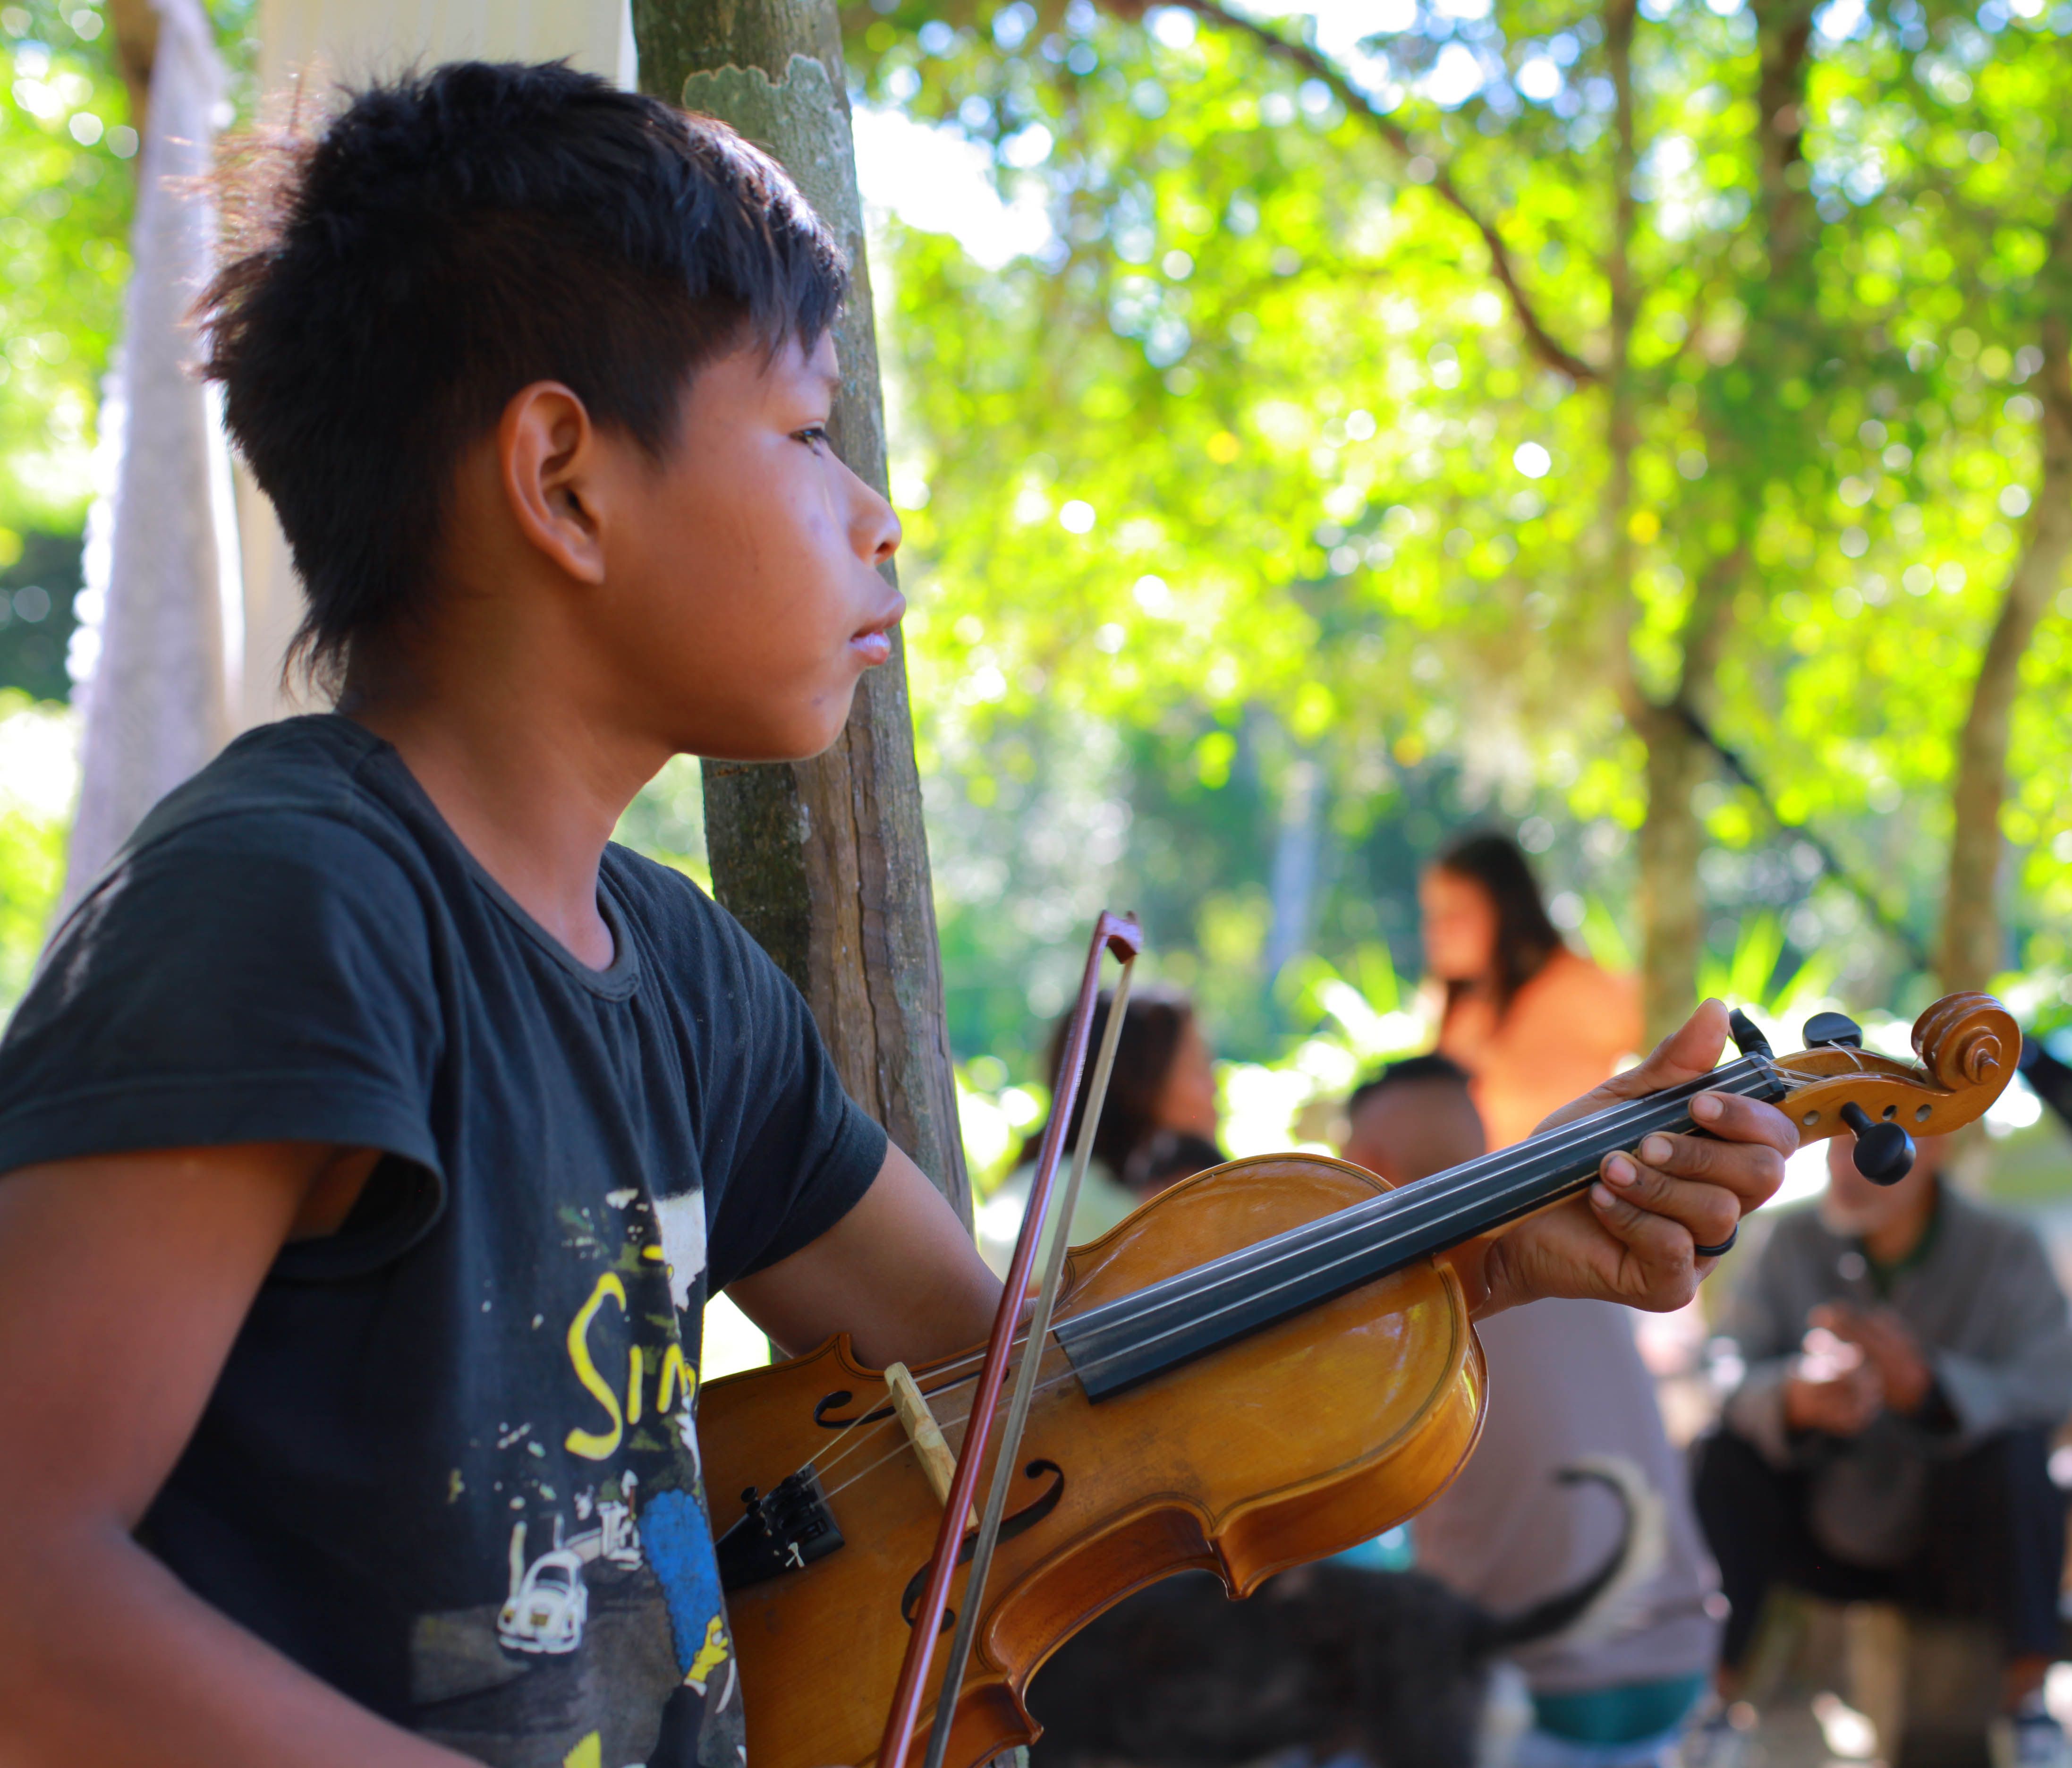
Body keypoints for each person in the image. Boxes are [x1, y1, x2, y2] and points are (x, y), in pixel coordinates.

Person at [0, 64, 1798, 1768]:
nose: (879, 517)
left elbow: (1042, 1385)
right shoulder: (291, 907)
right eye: (804, 430)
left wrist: (1485, 1247)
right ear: (565, 478)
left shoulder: (682, 973)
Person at [1345, 1055, 1724, 1768]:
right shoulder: (1564, 1246)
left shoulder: (1390, 1304)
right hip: (1681, 1661)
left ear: (1367, 1162)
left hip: (1536, 1680)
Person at [1694, 1130, 2072, 1768]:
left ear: (1935, 1148)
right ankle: (1714, 1704)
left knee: (2019, 1459)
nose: (1844, 1165)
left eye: (1869, 1143)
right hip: (1822, 1526)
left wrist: (1931, 1390)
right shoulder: (1790, 1240)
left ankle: (2030, 1710)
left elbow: (2052, 1385)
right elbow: (1725, 1367)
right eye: (1835, 1143)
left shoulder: (2006, 1246)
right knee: (1723, 1454)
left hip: (1951, 1533)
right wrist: (1792, 1397)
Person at [1425, 830, 1643, 1148]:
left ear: (1506, 909)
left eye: (1455, 913)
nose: (1437, 931)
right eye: (1431, 914)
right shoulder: (1460, 1008)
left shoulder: (1580, 990)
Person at [977, 986, 1221, 1266]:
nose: (1213, 1086)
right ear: (1141, 1082)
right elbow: (1037, 1308)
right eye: (1199, 1067)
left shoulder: (1104, 1189)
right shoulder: (1071, 1199)